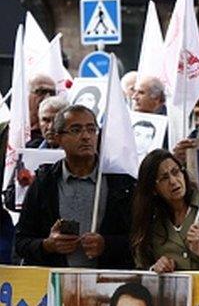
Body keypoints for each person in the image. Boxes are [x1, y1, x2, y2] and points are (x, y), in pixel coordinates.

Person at [15, 104, 135, 268]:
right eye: (76, 130)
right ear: (58, 138)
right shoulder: (45, 182)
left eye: (91, 129)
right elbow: (21, 242)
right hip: (57, 285)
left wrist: (107, 245)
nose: (86, 136)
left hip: (108, 285)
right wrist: (47, 245)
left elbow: (141, 239)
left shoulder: (121, 182)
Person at [27, 74, 58, 147]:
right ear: (28, 95)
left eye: (52, 93)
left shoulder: (58, 134)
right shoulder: (13, 129)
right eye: (41, 92)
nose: (48, 97)